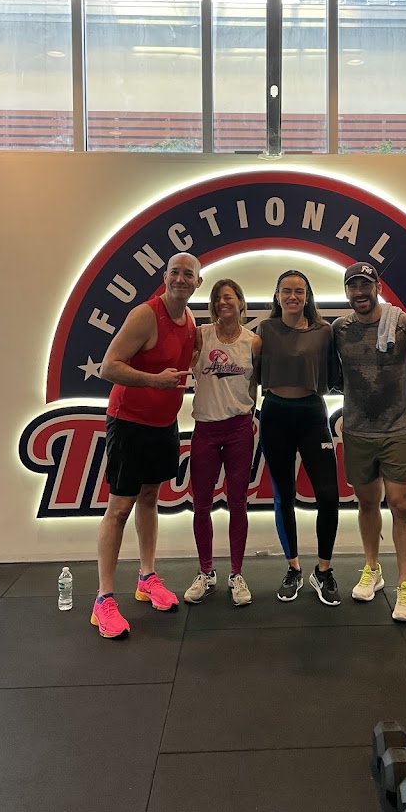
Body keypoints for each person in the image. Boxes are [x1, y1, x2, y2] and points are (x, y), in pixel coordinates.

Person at [91, 252, 202, 639]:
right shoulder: (145, 315)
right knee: (120, 508)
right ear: (164, 276)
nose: (180, 279)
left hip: (163, 424)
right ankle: (103, 599)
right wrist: (155, 380)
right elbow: (108, 366)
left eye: (188, 274)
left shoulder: (190, 321)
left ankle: (147, 577)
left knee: (151, 498)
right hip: (129, 423)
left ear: (198, 282)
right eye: (174, 272)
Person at [333, 262, 406, 622]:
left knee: (401, 505)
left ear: (377, 286)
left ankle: (405, 585)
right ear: (347, 291)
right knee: (366, 504)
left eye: (365, 285)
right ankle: (372, 568)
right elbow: (330, 374)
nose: (360, 292)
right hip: (357, 431)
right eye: (353, 286)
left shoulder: (405, 324)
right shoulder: (339, 329)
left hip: (398, 430)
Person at [257, 269, 341, 606]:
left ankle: (323, 571)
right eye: (287, 291)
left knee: (328, 494)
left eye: (299, 291)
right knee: (284, 495)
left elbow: (337, 375)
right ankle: (293, 568)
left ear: (308, 296)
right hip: (275, 413)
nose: (293, 296)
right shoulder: (265, 330)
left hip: (311, 413)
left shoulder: (324, 331)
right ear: (277, 296)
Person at [184, 279, 260, 607]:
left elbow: (255, 385)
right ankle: (205, 572)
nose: (223, 302)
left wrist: (244, 412)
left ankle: (236, 574)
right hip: (205, 429)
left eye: (229, 298)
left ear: (241, 303)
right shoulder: (201, 336)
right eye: (217, 298)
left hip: (239, 430)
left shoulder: (253, 342)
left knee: (237, 503)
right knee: (201, 504)